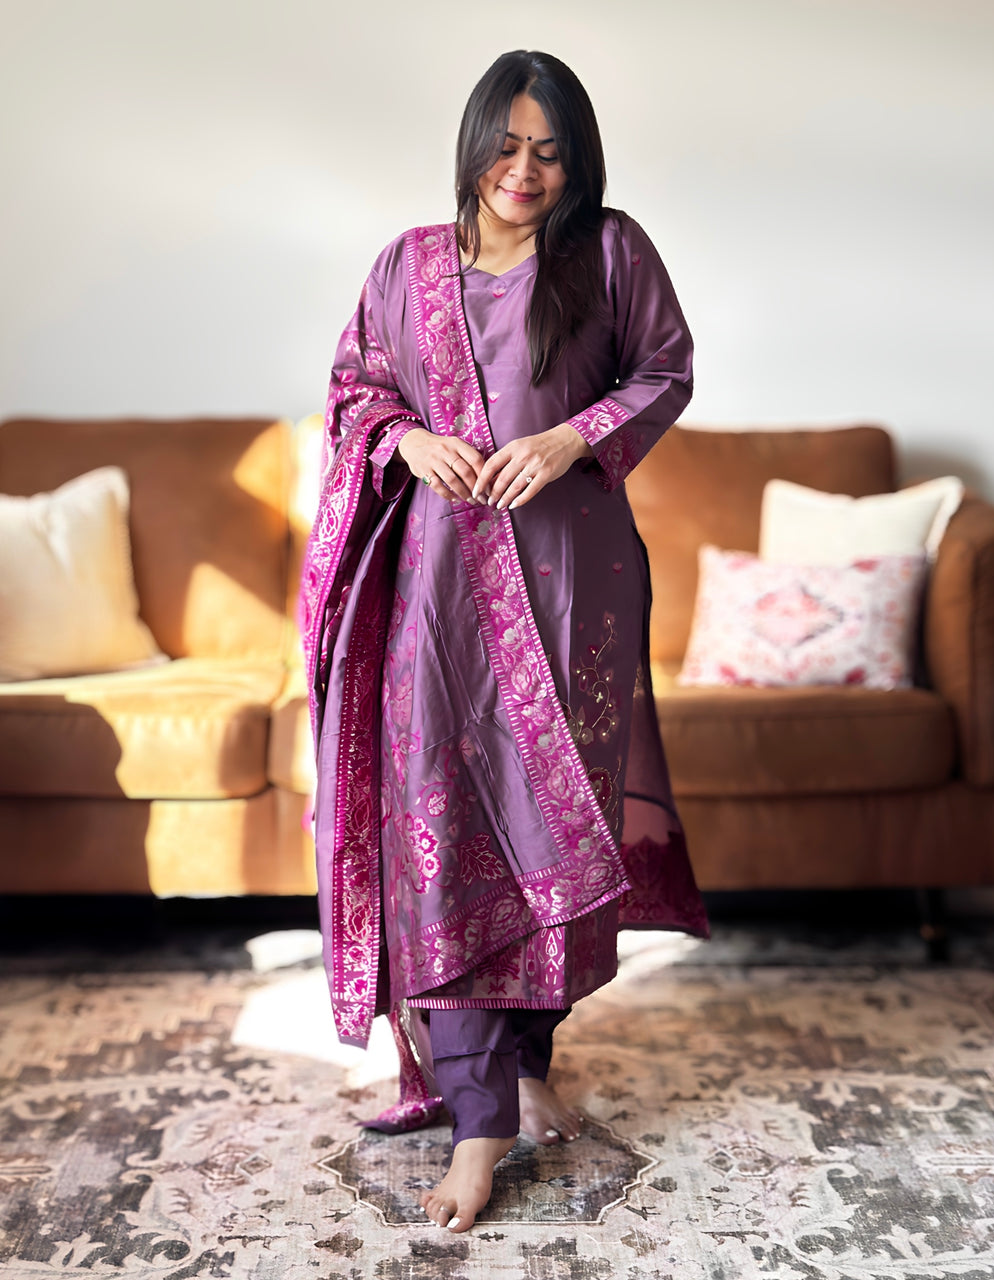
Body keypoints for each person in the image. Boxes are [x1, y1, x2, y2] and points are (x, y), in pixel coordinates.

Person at [300, 49, 708, 1234]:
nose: (523, 172)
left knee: (552, 827)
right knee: (448, 828)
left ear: (575, 165)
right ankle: (479, 1120)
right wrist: (403, 438)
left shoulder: (609, 250)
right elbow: (353, 385)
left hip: (574, 583)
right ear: (474, 140)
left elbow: (666, 371)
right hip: (438, 587)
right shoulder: (407, 266)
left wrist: (576, 438)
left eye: (549, 152)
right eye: (507, 145)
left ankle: (527, 1051)